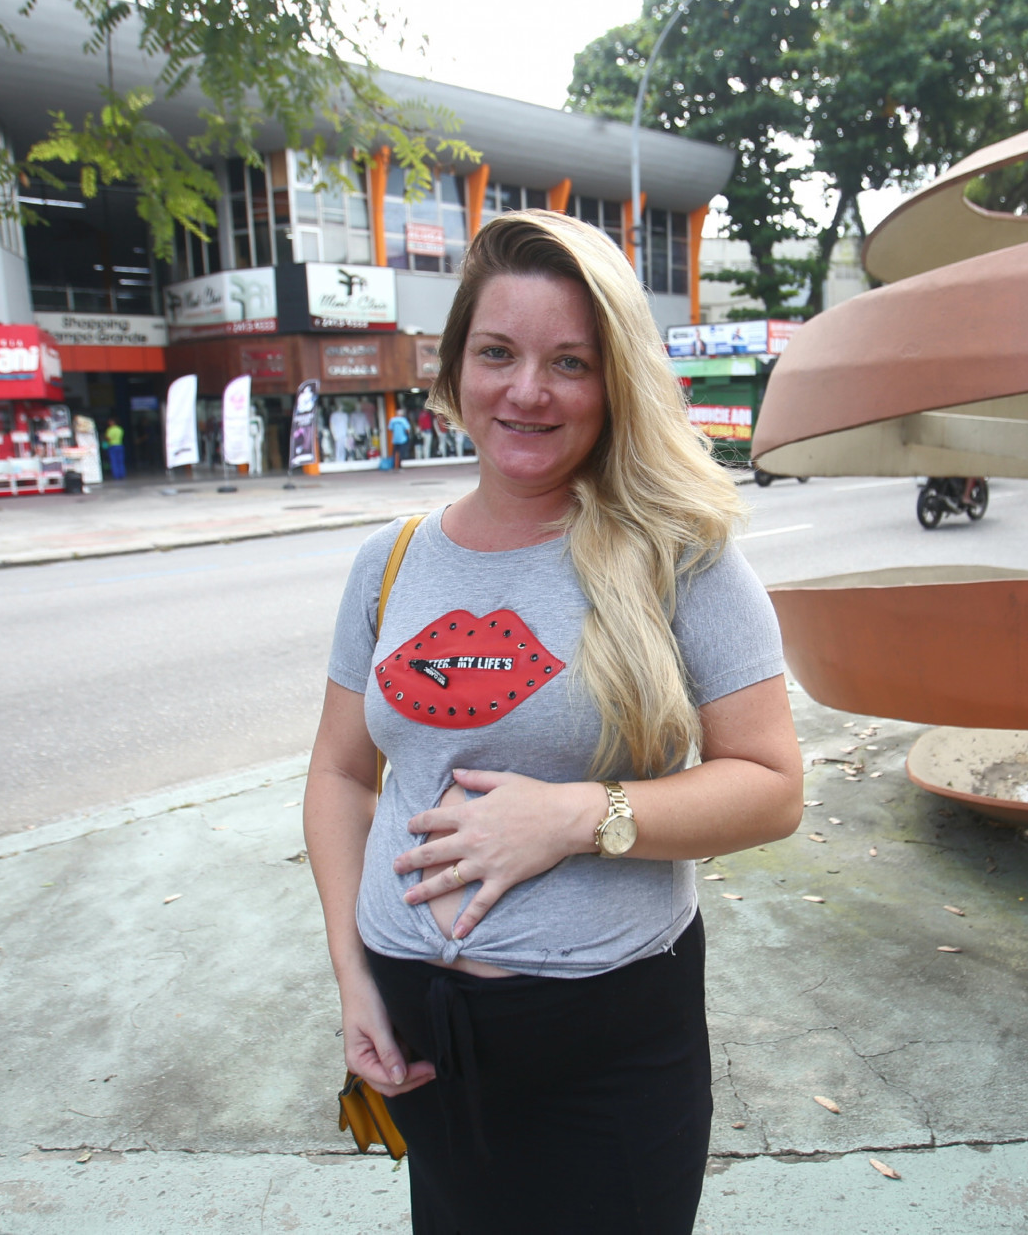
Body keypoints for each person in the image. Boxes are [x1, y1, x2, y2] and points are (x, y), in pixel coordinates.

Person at [304, 210, 803, 1235]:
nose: (526, 390)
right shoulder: (390, 560)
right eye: (497, 352)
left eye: (568, 361)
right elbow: (342, 775)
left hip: (606, 1044)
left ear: (613, 379)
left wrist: (576, 815)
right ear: (454, 370)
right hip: (421, 1030)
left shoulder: (681, 553)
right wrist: (354, 974)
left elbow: (772, 782)